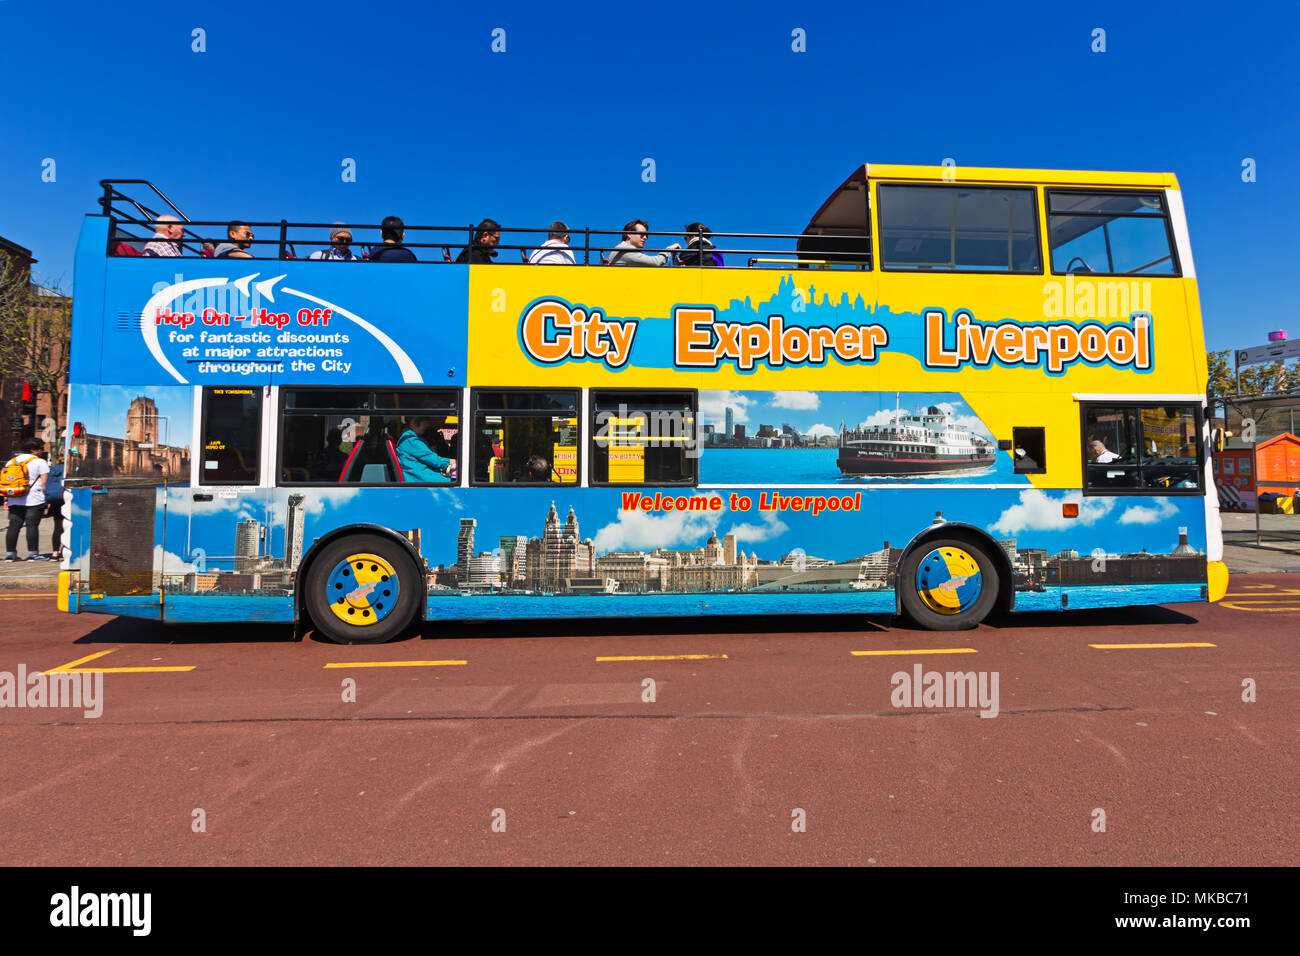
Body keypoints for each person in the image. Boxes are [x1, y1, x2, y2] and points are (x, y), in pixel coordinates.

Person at [4, 438, 51, 561]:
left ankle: (10, 554)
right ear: (33, 450)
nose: (43, 450)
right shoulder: (40, 462)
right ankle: (33, 554)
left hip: (14, 498)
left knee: (13, 526)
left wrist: (6, 499)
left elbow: (6, 482)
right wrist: (48, 498)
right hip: (35, 499)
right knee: (32, 526)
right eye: (40, 448)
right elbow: (45, 483)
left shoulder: (11, 462)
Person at [395, 417, 456, 482]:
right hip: (419, 477)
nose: (427, 426)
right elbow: (435, 461)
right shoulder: (411, 441)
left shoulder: (412, 439)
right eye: (425, 423)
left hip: (423, 474)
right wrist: (456, 462)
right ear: (415, 422)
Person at [608, 219, 679, 266]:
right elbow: (655, 262)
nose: (645, 237)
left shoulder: (621, 249)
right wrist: (669, 249)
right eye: (641, 234)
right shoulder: (625, 250)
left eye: (646, 235)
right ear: (629, 234)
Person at [44, 459, 64, 559]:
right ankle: (66, 550)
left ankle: (55, 552)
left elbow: (47, 484)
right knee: (70, 527)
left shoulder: (54, 469)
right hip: (70, 499)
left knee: (57, 527)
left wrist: (47, 500)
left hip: (55, 499)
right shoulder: (74, 469)